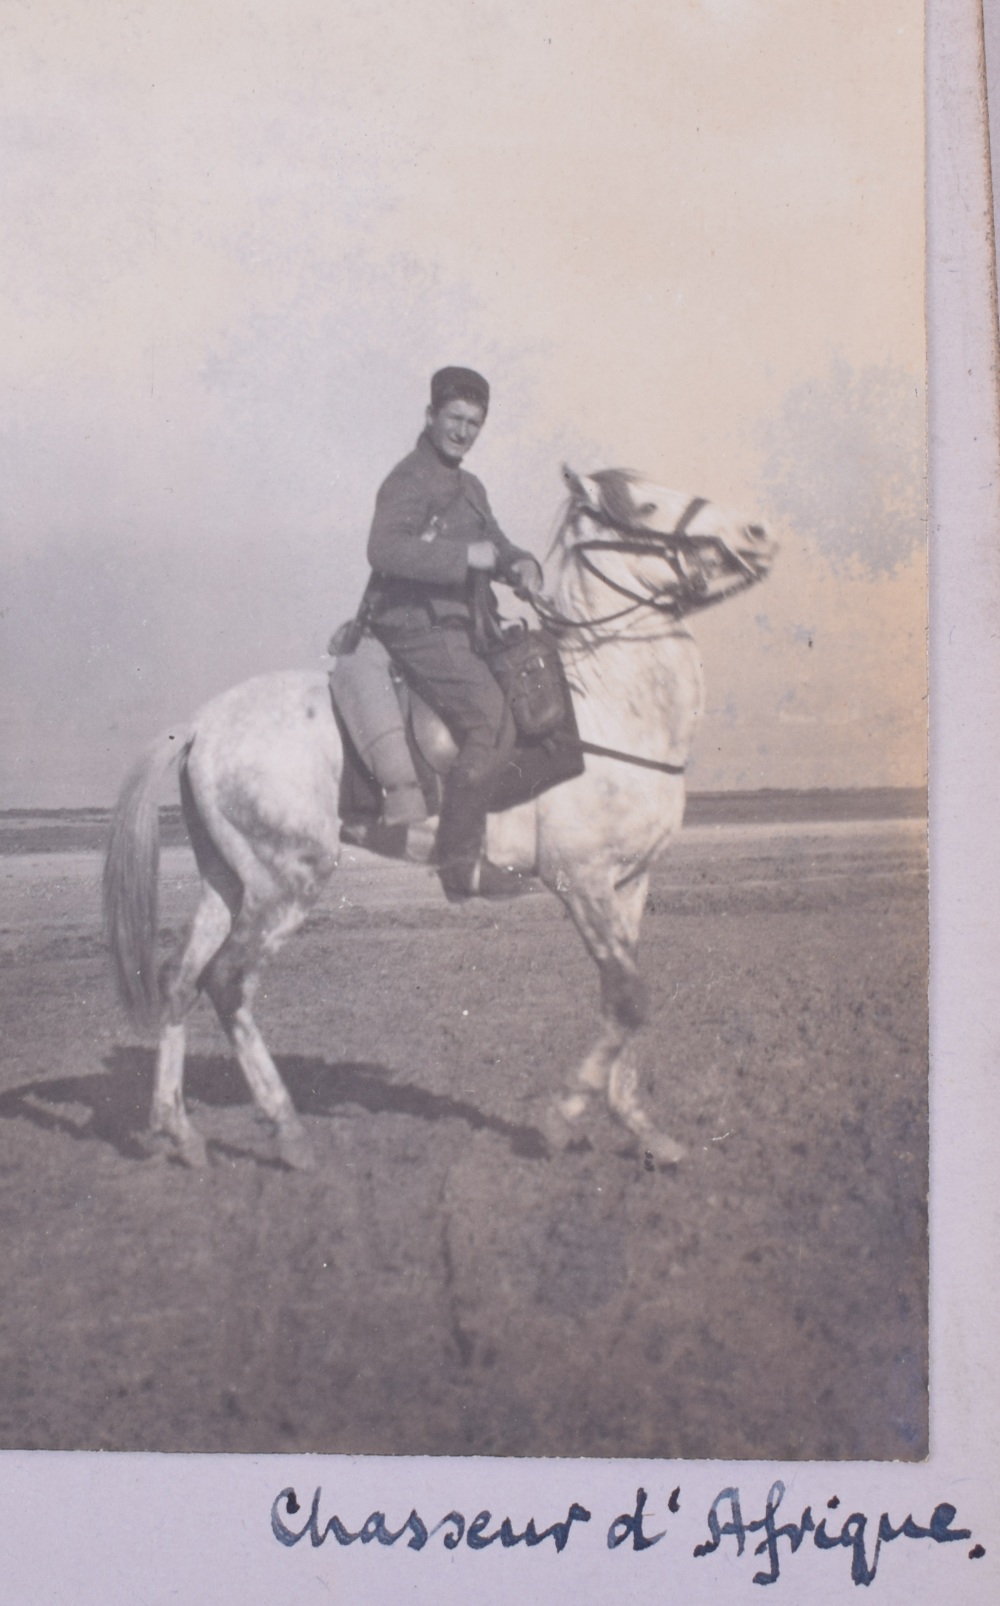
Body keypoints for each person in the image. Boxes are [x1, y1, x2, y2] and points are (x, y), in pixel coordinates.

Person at [365, 366, 543, 900]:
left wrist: (523, 565)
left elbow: (499, 544)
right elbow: (384, 549)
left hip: (462, 624)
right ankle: (459, 862)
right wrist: (466, 557)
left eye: (474, 423)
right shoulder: (408, 478)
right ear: (430, 416)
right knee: (491, 721)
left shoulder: (471, 487)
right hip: (416, 623)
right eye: (454, 419)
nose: (463, 432)